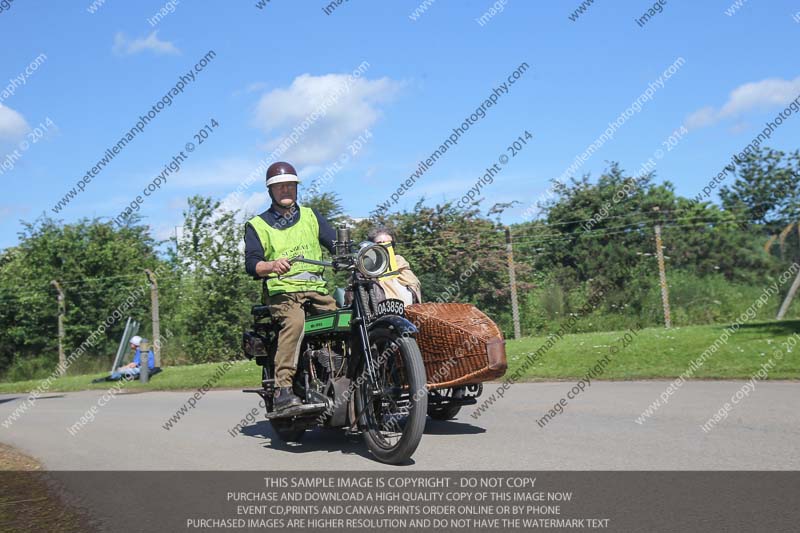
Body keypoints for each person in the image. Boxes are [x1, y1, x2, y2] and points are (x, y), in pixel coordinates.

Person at [244, 161, 338, 413]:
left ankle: (340, 372)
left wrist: (357, 252)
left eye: (290, 185)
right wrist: (271, 265)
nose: (285, 190)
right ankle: (283, 388)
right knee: (296, 323)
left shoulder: (311, 216)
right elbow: (251, 264)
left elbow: (336, 243)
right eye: (280, 186)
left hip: (316, 290)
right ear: (271, 191)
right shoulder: (257, 225)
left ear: (296, 188)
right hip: (282, 292)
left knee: (343, 320)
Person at [368, 227, 422, 305]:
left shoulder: (402, 266)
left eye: (389, 243)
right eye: (380, 243)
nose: (385, 247)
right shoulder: (365, 273)